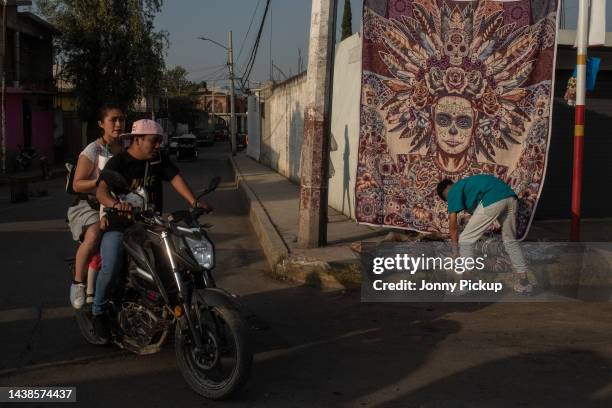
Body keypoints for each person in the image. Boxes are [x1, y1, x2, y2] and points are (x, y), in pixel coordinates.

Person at [93, 119, 211, 341]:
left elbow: (175, 178)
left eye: (159, 141)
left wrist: (194, 202)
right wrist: (116, 205)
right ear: (137, 139)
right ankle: (98, 311)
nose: (158, 146)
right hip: (121, 224)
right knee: (111, 265)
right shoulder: (118, 163)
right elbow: (101, 192)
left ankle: (176, 309)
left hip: (152, 224)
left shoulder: (157, 159)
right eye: (154, 141)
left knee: (176, 260)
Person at [67, 105, 125, 309]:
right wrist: (101, 181)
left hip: (117, 204)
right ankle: (78, 282)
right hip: (89, 205)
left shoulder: (125, 148)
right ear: (102, 124)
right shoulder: (93, 150)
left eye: (121, 120)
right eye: (113, 120)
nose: (118, 124)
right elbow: (77, 184)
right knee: (93, 236)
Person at [436, 174, 533, 294]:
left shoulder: (452, 190)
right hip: (511, 197)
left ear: (445, 192)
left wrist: (456, 251)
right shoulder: (468, 185)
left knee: (466, 239)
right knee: (510, 241)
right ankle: (525, 283)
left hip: (493, 198)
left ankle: (466, 285)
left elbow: (453, 227)